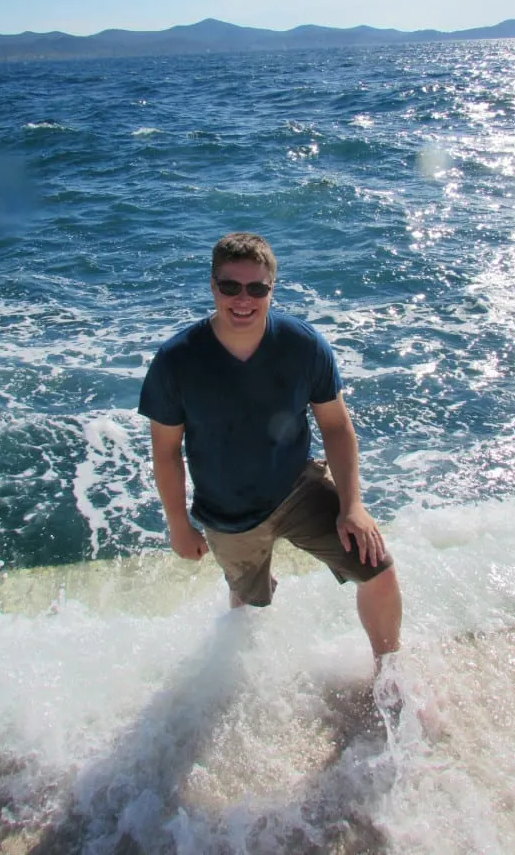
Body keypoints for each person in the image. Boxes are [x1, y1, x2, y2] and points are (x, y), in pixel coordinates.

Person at [139, 232, 402, 665]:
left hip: (296, 487)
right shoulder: (176, 361)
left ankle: (390, 677)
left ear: (271, 290)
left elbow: (335, 426)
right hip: (227, 511)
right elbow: (166, 452)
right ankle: (246, 678)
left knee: (379, 568)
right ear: (212, 286)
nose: (243, 300)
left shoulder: (303, 345)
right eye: (230, 287)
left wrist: (352, 505)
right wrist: (178, 524)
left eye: (257, 288)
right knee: (249, 607)